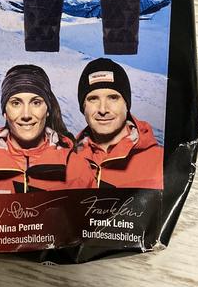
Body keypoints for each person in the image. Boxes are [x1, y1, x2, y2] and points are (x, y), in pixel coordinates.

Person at [0, 64, 73, 193]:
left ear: (47, 110)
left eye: (36, 103)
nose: (26, 115)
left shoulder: (76, 166)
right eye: (16, 103)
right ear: (5, 112)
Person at [67, 58, 163, 189]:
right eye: (93, 99)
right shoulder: (66, 161)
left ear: (126, 105)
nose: (103, 109)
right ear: (83, 107)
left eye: (113, 98)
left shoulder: (161, 163)